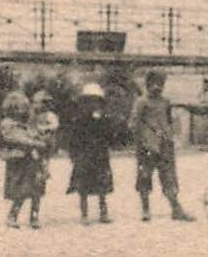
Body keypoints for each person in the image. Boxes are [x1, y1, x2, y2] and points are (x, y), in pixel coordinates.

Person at [127, 70, 194, 222]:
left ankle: (176, 209)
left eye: (161, 84)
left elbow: (169, 121)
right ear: (148, 84)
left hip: (165, 146)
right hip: (147, 147)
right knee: (144, 177)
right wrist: (144, 138)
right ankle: (145, 210)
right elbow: (133, 123)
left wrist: (170, 136)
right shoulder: (141, 102)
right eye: (154, 84)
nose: (158, 87)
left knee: (169, 177)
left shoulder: (165, 102)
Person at [66, 83, 115, 224]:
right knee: (83, 186)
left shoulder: (103, 119)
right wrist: (74, 156)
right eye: (89, 100)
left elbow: (109, 136)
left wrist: (102, 120)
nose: (93, 104)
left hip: (99, 155)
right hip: (84, 155)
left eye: (96, 100)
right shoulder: (79, 119)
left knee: (102, 186)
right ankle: (84, 214)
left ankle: (103, 212)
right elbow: (73, 139)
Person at [0, 90, 47, 229]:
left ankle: (34, 217)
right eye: (20, 108)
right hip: (19, 161)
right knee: (21, 190)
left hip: (32, 161)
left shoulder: (25, 124)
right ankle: (12, 215)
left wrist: (39, 137)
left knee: (36, 190)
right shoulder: (8, 124)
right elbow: (16, 138)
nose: (23, 111)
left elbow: (32, 135)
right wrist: (35, 142)